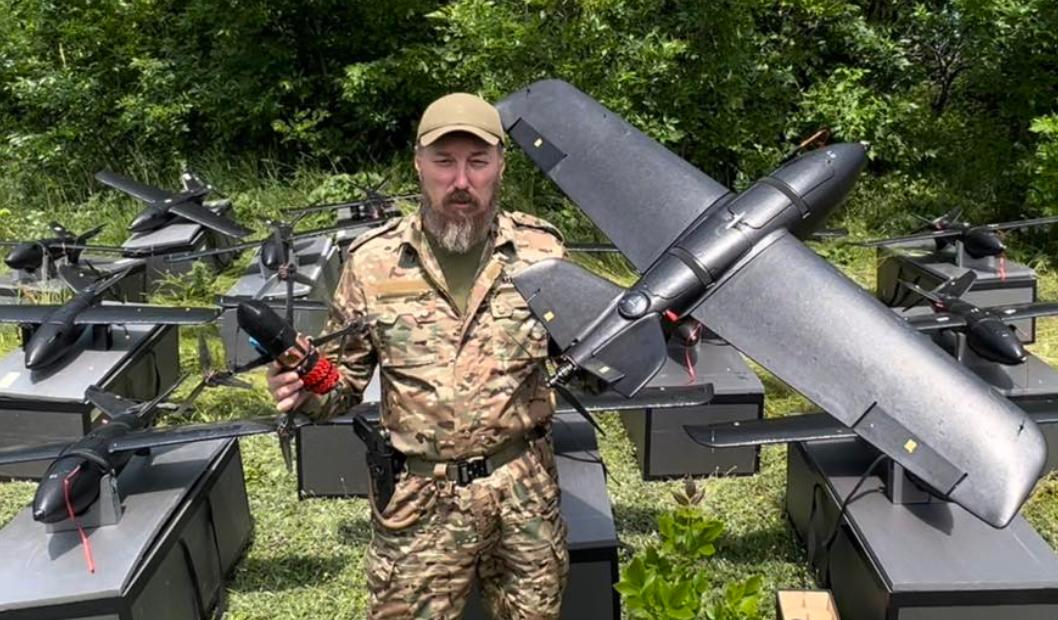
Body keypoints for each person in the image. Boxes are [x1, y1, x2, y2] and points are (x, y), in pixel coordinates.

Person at [266, 92, 569, 620]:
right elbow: (342, 387)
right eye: (444, 161)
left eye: (478, 162)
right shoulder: (373, 263)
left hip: (524, 493)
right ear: (418, 164)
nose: (461, 181)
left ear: (500, 165)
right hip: (420, 502)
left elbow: (583, 365)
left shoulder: (541, 253)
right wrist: (303, 388)